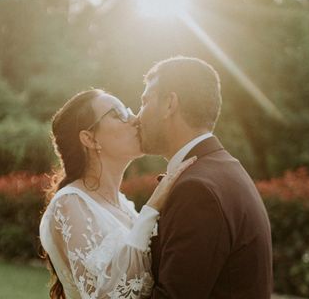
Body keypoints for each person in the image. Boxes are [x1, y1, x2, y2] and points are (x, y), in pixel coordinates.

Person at [136, 56, 273, 298]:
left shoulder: (198, 190)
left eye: (145, 101)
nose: (138, 117)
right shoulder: (224, 170)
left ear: (170, 104)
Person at [39, 89, 194, 299]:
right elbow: (106, 295)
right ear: (89, 139)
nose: (135, 119)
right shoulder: (69, 203)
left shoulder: (123, 205)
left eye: (128, 111)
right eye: (118, 114)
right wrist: (152, 208)